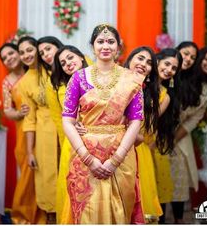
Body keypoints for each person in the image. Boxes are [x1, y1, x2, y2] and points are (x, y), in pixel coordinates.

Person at [62, 24, 144, 224]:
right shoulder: (78, 78)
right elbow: (67, 119)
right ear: (93, 46)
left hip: (121, 153)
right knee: (87, 212)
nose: (105, 46)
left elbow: (136, 121)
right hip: (85, 154)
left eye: (110, 41)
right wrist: (88, 158)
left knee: (120, 211)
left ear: (118, 46)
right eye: (100, 41)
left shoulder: (131, 79)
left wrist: (115, 160)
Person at [170, 45, 207, 224]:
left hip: (179, 136)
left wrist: (174, 138)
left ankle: (179, 220)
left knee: (180, 181)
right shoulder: (180, 74)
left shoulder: (206, 89)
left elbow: (194, 119)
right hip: (157, 131)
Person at [0, 43, 45, 224]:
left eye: (11, 53)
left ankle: (45, 213)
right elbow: (8, 111)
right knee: (27, 173)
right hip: (23, 131)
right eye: (5, 57)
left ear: (19, 53)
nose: (9, 58)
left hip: (43, 128)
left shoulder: (34, 71)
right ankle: (24, 215)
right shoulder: (7, 81)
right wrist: (20, 113)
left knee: (44, 170)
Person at [17, 36, 58, 223]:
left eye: (30, 50)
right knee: (47, 178)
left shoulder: (52, 67)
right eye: (22, 52)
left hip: (67, 128)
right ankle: (51, 218)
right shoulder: (24, 82)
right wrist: (29, 151)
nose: (26, 55)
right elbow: (29, 119)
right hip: (43, 135)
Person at [49, 45, 88, 224]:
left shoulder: (99, 77)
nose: (68, 64)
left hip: (100, 139)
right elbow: (61, 119)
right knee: (73, 189)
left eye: (70, 58)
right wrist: (72, 128)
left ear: (81, 57)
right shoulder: (61, 87)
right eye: (63, 63)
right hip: (72, 143)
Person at [124, 46, 163, 222]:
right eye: (140, 58)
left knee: (140, 207)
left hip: (138, 151)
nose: (143, 64)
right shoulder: (111, 82)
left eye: (149, 63)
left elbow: (146, 133)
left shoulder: (150, 95)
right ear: (129, 60)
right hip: (108, 149)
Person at [153, 48, 183, 224]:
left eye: (174, 68)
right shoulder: (137, 82)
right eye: (167, 64)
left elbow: (149, 121)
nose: (169, 69)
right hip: (126, 142)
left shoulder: (165, 95)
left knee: (157, 190)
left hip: (152, 144)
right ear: (157, 61)